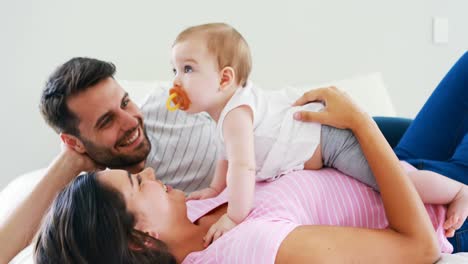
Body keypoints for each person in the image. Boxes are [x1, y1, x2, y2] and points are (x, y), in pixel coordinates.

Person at [33, 86, 447, 263]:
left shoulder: (197, 209)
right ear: (141, 237)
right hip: (442, 213)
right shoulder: (253, 249)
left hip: (404, 165)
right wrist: (359, 120)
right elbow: (420, 249)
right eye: (138, 184)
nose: (151, 171)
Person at [169, 23, 468, 243]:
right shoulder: (226, 116)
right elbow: (227, 157)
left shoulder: (236, 114)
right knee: (396, 173)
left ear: (224, 78)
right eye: (174, 70)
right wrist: (214, 187)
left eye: (188, 69)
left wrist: (234, 215)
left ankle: (457, 190)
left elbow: (242, 166)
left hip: (330, 142)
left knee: (395, 183)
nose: (176, 81)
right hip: (325, 143)